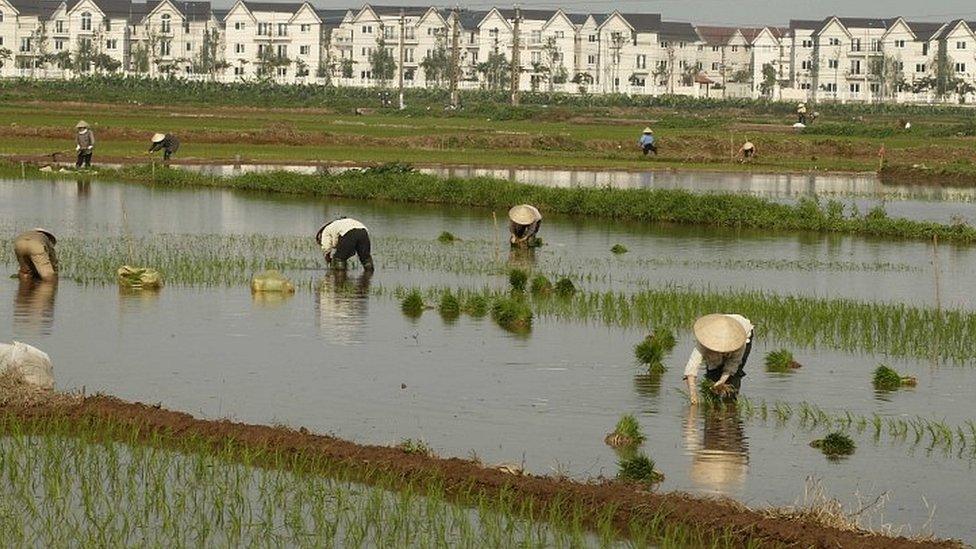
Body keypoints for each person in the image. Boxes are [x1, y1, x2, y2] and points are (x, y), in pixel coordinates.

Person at [683, 313, 754, 405]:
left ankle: (730, 405)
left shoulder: (739, 341)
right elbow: (692, 368)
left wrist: (721, 381)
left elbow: (733, 364)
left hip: (742, 330)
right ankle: (713, 405)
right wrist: (693, 395)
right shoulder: (704, 341)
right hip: (720, 328)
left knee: (733, 377)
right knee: (713, 375)